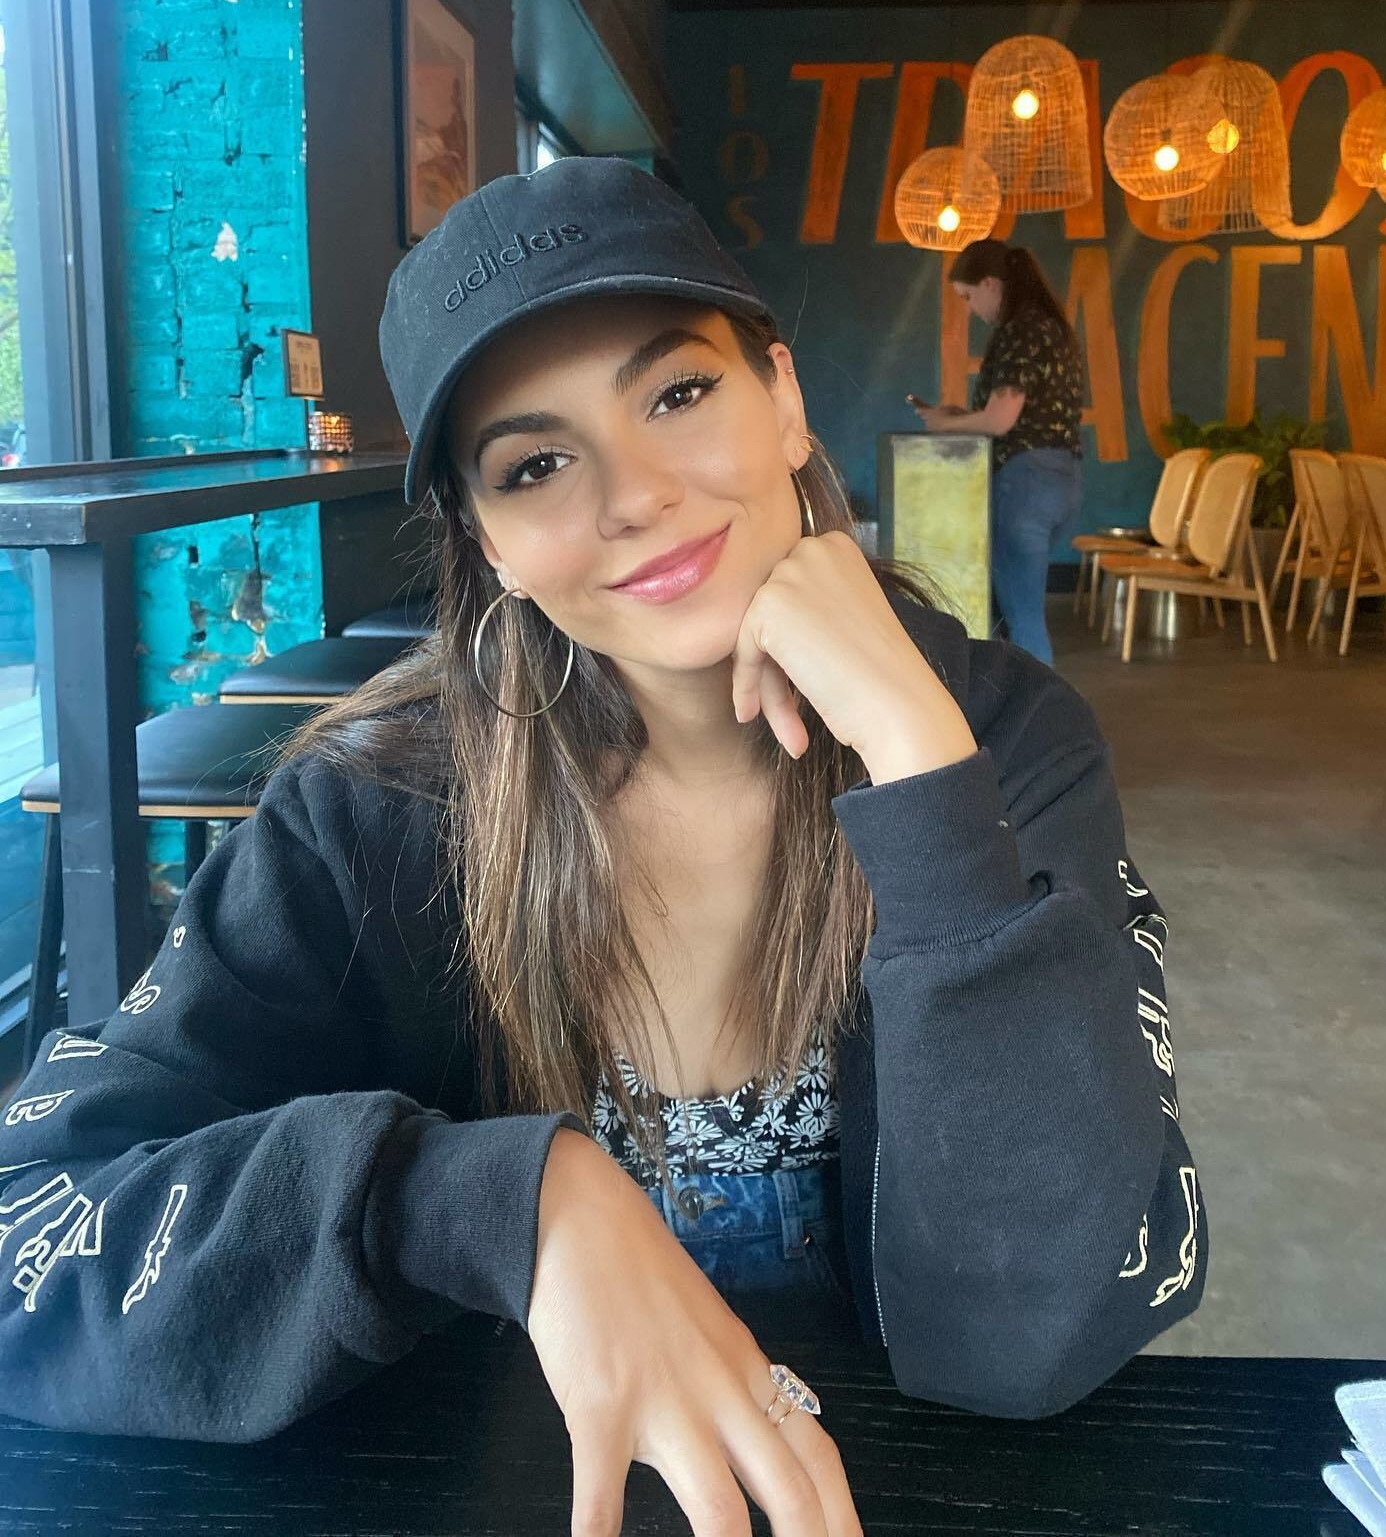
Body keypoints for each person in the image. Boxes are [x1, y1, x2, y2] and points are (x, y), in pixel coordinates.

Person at [0, 160, 1204, 1536]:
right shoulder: (379, 810)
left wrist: (924, 769)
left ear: (785, 399)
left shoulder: (1005, 740)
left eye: (678, 393)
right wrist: (484, 1199)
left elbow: (1035, 1326)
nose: (634, 494)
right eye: (536, 464)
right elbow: (30, 1217)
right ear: (488, 542)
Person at [910, 239, 1085, 665]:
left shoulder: (1019, 330)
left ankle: (1037, 706)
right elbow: (1020, 413)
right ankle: (1018, 698)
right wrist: (962, 416)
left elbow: (1002, 419)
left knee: (1024, 622)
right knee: (1020, 614)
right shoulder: (1051, 326)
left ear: (990, 284)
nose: (970, 309)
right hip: (1063, 479)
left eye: (968, 297)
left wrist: (945, 424)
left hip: (1026, 483)